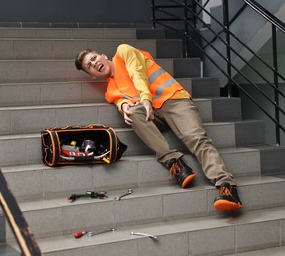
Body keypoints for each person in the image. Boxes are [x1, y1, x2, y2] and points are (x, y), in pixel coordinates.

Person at [75, 44, 242, 211]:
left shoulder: (123, 51)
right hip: (153, 114)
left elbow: (137, 73)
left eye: (94, 58)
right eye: (89, 66)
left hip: (173, 99)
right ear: (93, 75)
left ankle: (226, 186)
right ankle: (174, 162)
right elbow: (119, 99)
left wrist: (146, 98)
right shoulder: (110, 90)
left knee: (196, 138)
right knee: (132, 114)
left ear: (104, 56)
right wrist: (124, 106)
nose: (94, 63)